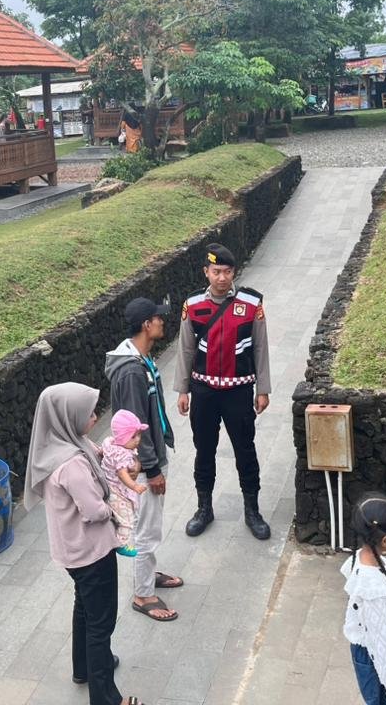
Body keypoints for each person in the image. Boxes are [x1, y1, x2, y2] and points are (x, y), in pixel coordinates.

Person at [25, 382, 143, 705]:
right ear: (68, 416)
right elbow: (93, 511)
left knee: (84, 606)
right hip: (92, 552)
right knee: (101, 622)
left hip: (71, 551)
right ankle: (106, 697)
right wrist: (114, 508)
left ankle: (85, 667)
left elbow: (99, 452)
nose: (94, 416)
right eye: (88, 412)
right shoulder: (72, 463)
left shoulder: (57, 446)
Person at [175, 243, 272, 540]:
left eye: (227, 272)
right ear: (206, 272)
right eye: (216, 272)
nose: (222, 278)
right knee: (204, 450)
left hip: (238, 391)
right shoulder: (193, 305)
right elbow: (185, 349)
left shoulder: (251, 303)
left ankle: (252, 510)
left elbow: (260, 347)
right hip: (203, 391)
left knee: (245, 450)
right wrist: (182, 390)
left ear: (234, 273)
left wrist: (263, 389)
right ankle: (204, 508)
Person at [105, 298, 183, 623]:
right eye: (158, 318)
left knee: (151, 524)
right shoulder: (131, 372)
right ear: (146, 325)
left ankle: (148, 574)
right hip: (142, 466)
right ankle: (143, 593)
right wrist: (151, 469)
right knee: (146, 528)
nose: (163, 322)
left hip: (151, 457)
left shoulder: (142, 360)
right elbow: (135, 426)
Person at [342, 494, 386, 705]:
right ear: (385, 540)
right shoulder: (374, 590)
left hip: (370, 654)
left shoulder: (360, 556)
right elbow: (381, 648)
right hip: (377, 661)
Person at [101, 410, 148, 558]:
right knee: (127, 519)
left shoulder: (111, 443)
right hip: (116, 490)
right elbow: (122, 474)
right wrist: (135, 486)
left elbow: (104, 453)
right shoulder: (122, 454)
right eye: (133, 436)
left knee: (122, 515)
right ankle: (122, 543)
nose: (137, 440)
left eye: (139, 435)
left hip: (109, 486)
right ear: (122, 437)